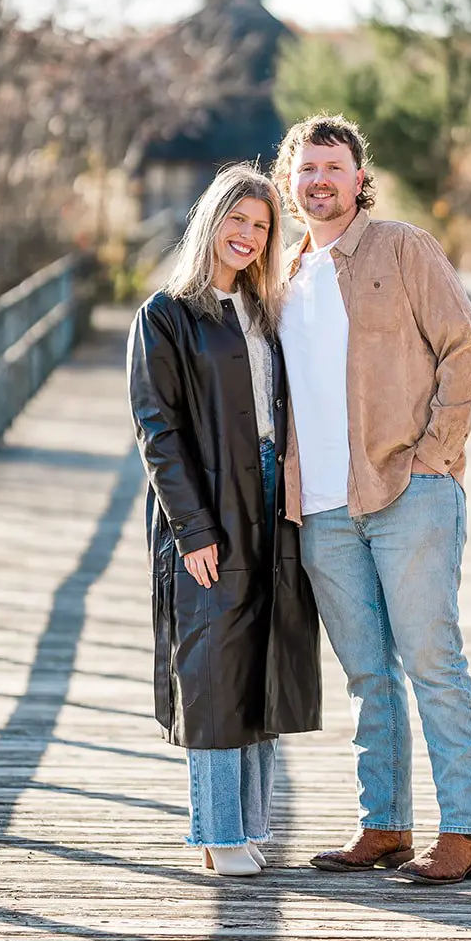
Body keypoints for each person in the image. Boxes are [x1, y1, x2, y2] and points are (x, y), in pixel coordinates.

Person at [273, 113, 471, 885]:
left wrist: (435, 459)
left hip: (408, 492)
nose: (320, 181)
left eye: (334, 168)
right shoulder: (284, 275)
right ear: (289, 181)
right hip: (322, 509)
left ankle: (465, 831)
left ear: (359, 180)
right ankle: (384, 823)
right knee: (369, 674)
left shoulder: (401, 248)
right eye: (307, 169)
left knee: (433, 662)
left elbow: (464, 351)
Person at [127, 164, 322, 877]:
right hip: (208, 502)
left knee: (261, 663)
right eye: (237, 220)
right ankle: (214, 831)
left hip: (273, 496)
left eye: (261, 226)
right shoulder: (165, 316)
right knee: (211, 668)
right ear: (211, 222)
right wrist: (192, 530)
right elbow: (158, 430)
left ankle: (249, 824)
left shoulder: (268, 313)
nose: (247, 235)